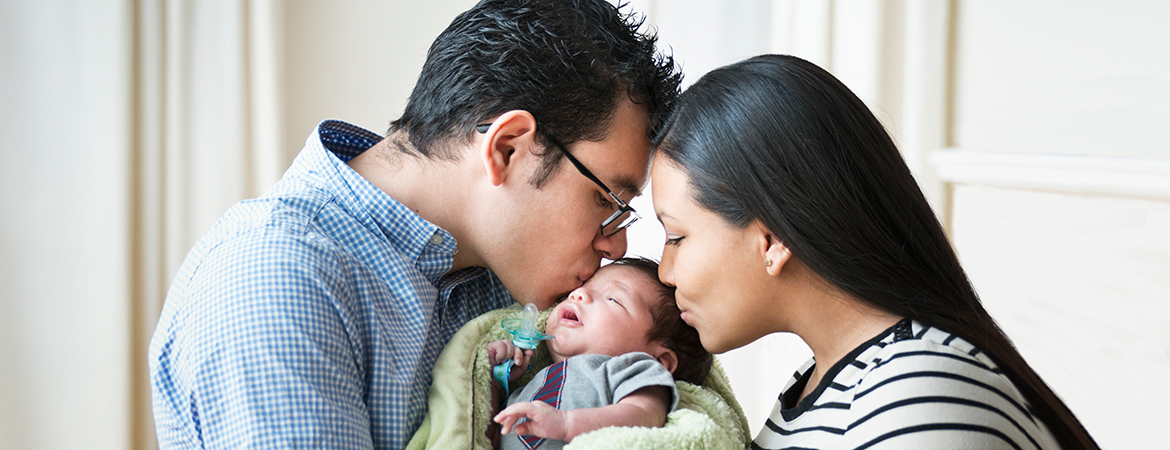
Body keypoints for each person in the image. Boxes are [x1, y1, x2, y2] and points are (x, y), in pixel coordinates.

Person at [148, 0, 682, 448]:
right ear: (509, 148)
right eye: (608, 201)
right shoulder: (277, 278)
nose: (617, 244)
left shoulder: (514, 281)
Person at [649, 54, 1099, 449]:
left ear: (773, 240)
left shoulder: (914, 393)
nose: (665, 272)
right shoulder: (819, 386)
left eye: (675, 237)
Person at [486, 257, 712, 450]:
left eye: (614, 299)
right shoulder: (538, 377)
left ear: (659, 361)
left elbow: (646, 414)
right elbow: (490, 437)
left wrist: (567, 424)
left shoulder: (632, 369)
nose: (579, 294)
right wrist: (496, 381)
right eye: (585, 286)